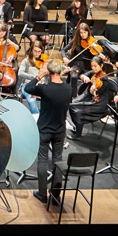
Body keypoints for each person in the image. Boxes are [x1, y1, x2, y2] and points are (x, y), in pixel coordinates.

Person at [23, 58, 73, 206]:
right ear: (60, 71)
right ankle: (56, 196)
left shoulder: (44, 88)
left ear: (49, 72)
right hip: (60, 130)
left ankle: (42, 193)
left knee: (43, 160)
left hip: (44, 129)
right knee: (58, 160)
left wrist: (39, 75)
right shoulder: (68, 89)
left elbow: (27, 88)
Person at [67, 55, 116, 141]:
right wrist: (84, 77)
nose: (93, 68)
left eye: (95, 66)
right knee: (72, 104)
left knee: (77, 109)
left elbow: (98, 93)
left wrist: (94, 89)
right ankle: (77, 127)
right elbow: (82, 75)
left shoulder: (105, 79)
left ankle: (78, 132)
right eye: (92, 66)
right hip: (89, 97)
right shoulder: (94, 73)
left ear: (101, 66)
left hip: (98, 102)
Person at [18, 40, 48, 113]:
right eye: (35, 51)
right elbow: (20, 73)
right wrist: (34, 77)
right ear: (31, 50)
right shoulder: (26, 61)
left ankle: (42, 116)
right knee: (32, 101)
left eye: (39, 51)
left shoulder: (44, 61)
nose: (37, 54)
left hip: (41, 85)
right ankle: (36, 118)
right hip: (28, 85)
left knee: (51, 100)